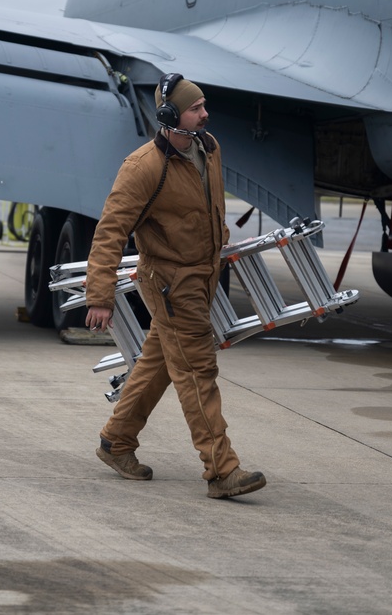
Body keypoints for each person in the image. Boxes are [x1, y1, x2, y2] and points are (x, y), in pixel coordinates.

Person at [85, 73, 266, 499]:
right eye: (196, 108)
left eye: (204, 105)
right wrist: (100, 295)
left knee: (162, 363)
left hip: (203, 275)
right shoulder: (143, 168)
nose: (205, 113)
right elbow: (110, 231)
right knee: (198, 370)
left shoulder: (209, 147)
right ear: (170, 116)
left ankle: (117, 441)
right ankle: (222, 471)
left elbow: (209, 206)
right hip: (169, 284)